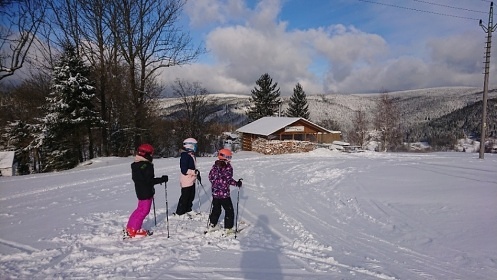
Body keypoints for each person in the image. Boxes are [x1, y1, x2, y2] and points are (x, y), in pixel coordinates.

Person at [126, 143, 168, 237]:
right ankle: (134, 229)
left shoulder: (137, 164)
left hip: (140, 191)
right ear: (146, 154)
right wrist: (162, 179)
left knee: (140, 209)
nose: (152, 156)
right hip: (146, 192)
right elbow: (149, 181)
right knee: (144, 211)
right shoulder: (146, 165)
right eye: (151, 154)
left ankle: (131, 227)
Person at [208, 148, 242, 233]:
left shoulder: (215, 166)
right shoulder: (228, 167)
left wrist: (216, 184)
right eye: (229, 157)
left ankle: (213, 224)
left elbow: (210, 177)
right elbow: (228, 179)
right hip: (224, 194)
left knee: (216, 209)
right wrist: (237, 183)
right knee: (229, 210)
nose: (230, 159)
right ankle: (228, 228)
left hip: (215, 193)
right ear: (226, 157)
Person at [175, 138, 199, 216]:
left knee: (191, 195)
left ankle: (188, 209)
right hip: (186, 180)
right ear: (190, 145)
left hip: (192, 179)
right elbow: (184, 170)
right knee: (185, 197)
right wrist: (193, 172)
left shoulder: (191, 155)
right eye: (195, 145)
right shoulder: (185, 156)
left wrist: (196, 173)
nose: (196, 147)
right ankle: (180, 212)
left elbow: (193, 167)